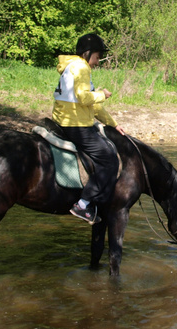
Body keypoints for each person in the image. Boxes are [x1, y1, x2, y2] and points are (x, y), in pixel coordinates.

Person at [53, 33, 124, 224]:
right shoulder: (82, 68)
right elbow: (86, 98)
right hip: (75, 124)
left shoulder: (72, 66)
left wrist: (113, 124)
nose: (98, 62)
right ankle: (83, 205)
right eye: (97, 56)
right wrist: (102, 94)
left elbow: (92, 107)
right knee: (109, 159)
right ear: (87, 53)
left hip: (66, 119)